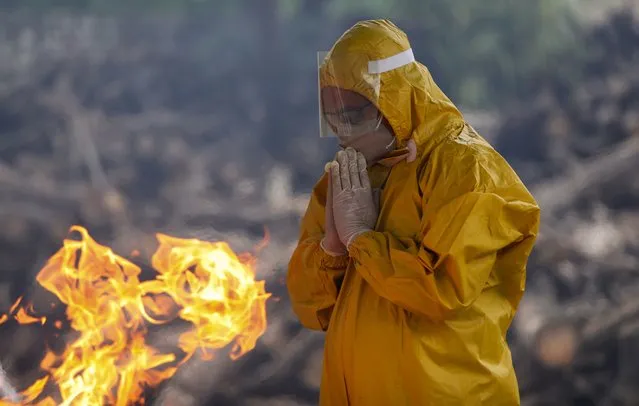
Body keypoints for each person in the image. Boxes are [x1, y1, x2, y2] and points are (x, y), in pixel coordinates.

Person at [287, 19, 540, 406]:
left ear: (398, 97)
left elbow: (441, 290)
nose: (340, 129)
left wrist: (361, 238)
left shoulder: (467, 170)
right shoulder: (350, 176)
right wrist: (333, 249)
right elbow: (312, 309)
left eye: (354, 113)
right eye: (331, 112)